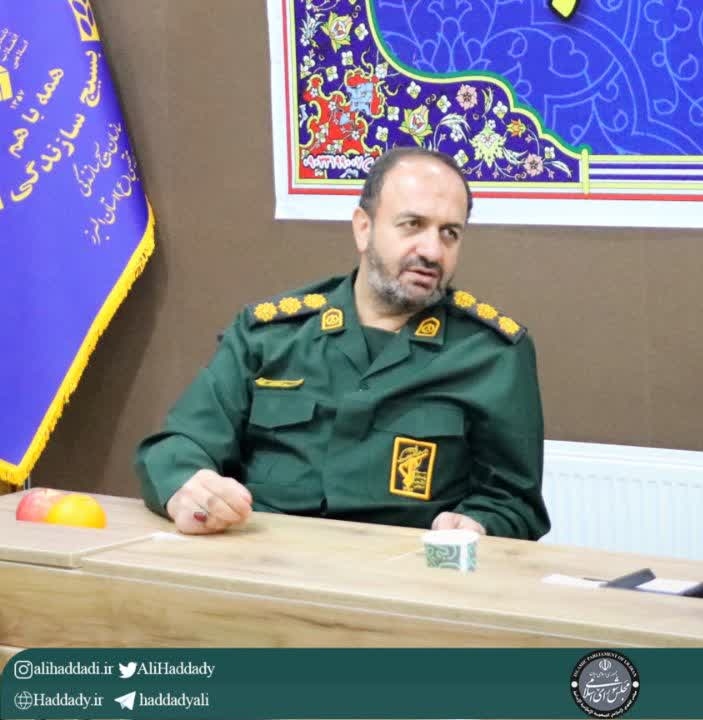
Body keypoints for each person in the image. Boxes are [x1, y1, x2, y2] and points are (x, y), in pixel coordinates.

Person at [136, 147, 549, 540]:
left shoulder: (492, 354)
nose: (431, 250)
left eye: (450, 234)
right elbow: (179, 444)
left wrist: (479, 524)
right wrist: (188, 486)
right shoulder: (269, 336)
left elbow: (514, 503)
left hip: (402, 574)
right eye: (412, 225)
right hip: (264, 563)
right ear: (363, 228)